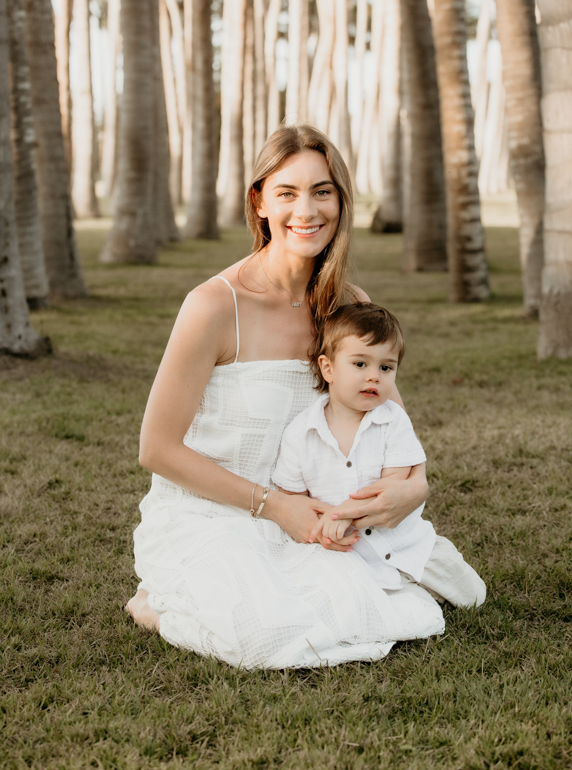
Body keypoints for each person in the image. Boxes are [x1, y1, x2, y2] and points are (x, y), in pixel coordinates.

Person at [127, 124, 446, 669]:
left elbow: (389, 418)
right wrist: (277, 508)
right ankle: (158, 600)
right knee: (264, 637)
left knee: (398, 612)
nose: (308, 210)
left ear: (341, 202)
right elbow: (156, 449)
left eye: (322, 191)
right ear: (259, 202)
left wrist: (411, 491)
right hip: (217, 513)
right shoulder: (212, 305)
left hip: (316, 512)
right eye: (287, 192)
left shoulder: (348, 304)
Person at [273, 302, 486, 608]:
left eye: (385, 368)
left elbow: (393, 483)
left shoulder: (393, 420)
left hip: (408, 543)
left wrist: (341, 512)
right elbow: (293, 498)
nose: (374, 376)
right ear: (328, 368)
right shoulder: (301, 433)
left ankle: (420, 584)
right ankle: (403, 597)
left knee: (473, 596)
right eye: (360, 364)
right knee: (352, 604)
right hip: (347, 552)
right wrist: (324, 529)